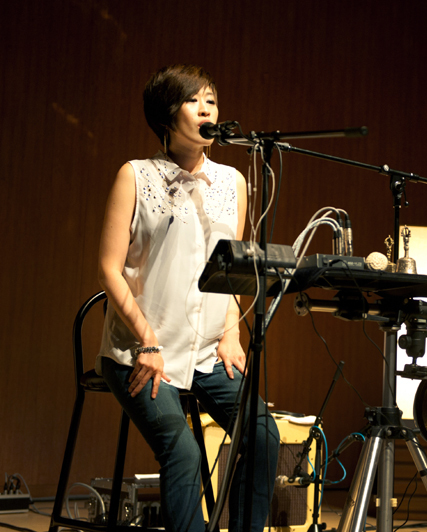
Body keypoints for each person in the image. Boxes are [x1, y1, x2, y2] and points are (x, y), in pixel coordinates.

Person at [95, 64, 280, 532]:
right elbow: (108, 269)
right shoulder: (135, 175)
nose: (206, 109)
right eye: (194, 100)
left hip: (208, 351)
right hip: (142, 351)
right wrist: (147, 340)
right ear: (166, 114)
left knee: (262, 435)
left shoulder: (233, 182)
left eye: (212, 101)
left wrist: (232, 332)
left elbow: (232, 273)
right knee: (183, 450)